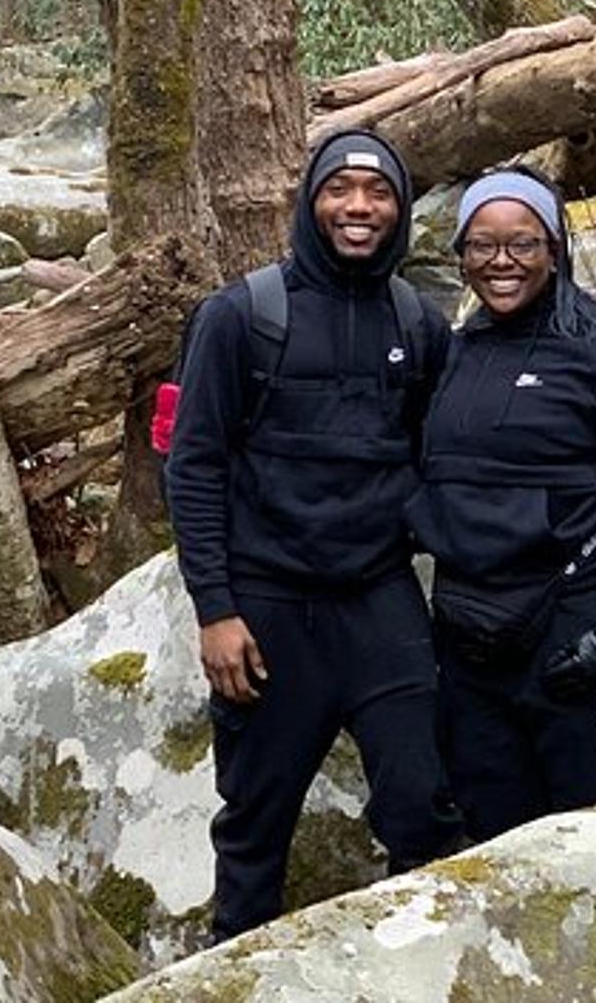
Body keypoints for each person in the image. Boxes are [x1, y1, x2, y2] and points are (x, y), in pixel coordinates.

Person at [165, 130, 462, 941]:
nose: (358, 207)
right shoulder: (241, 318)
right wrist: (215, 610)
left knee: (422, 806)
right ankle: (236, 971)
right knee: (256, 824)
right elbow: (192, 468)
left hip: (379, 602)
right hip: (267, 610)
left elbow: (451, 453)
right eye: (340, 189)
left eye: (378, 191)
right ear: (311, 201)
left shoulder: (419, 323)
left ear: (401, 207)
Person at [406, 165, 596, 842]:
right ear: (460, 255)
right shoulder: (455, 355)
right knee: (493, 850)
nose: (502, 262)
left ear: (554, 248)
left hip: (575, 646)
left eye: (523, 244)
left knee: (592, 855)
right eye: (482, 245)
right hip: (473, 654)